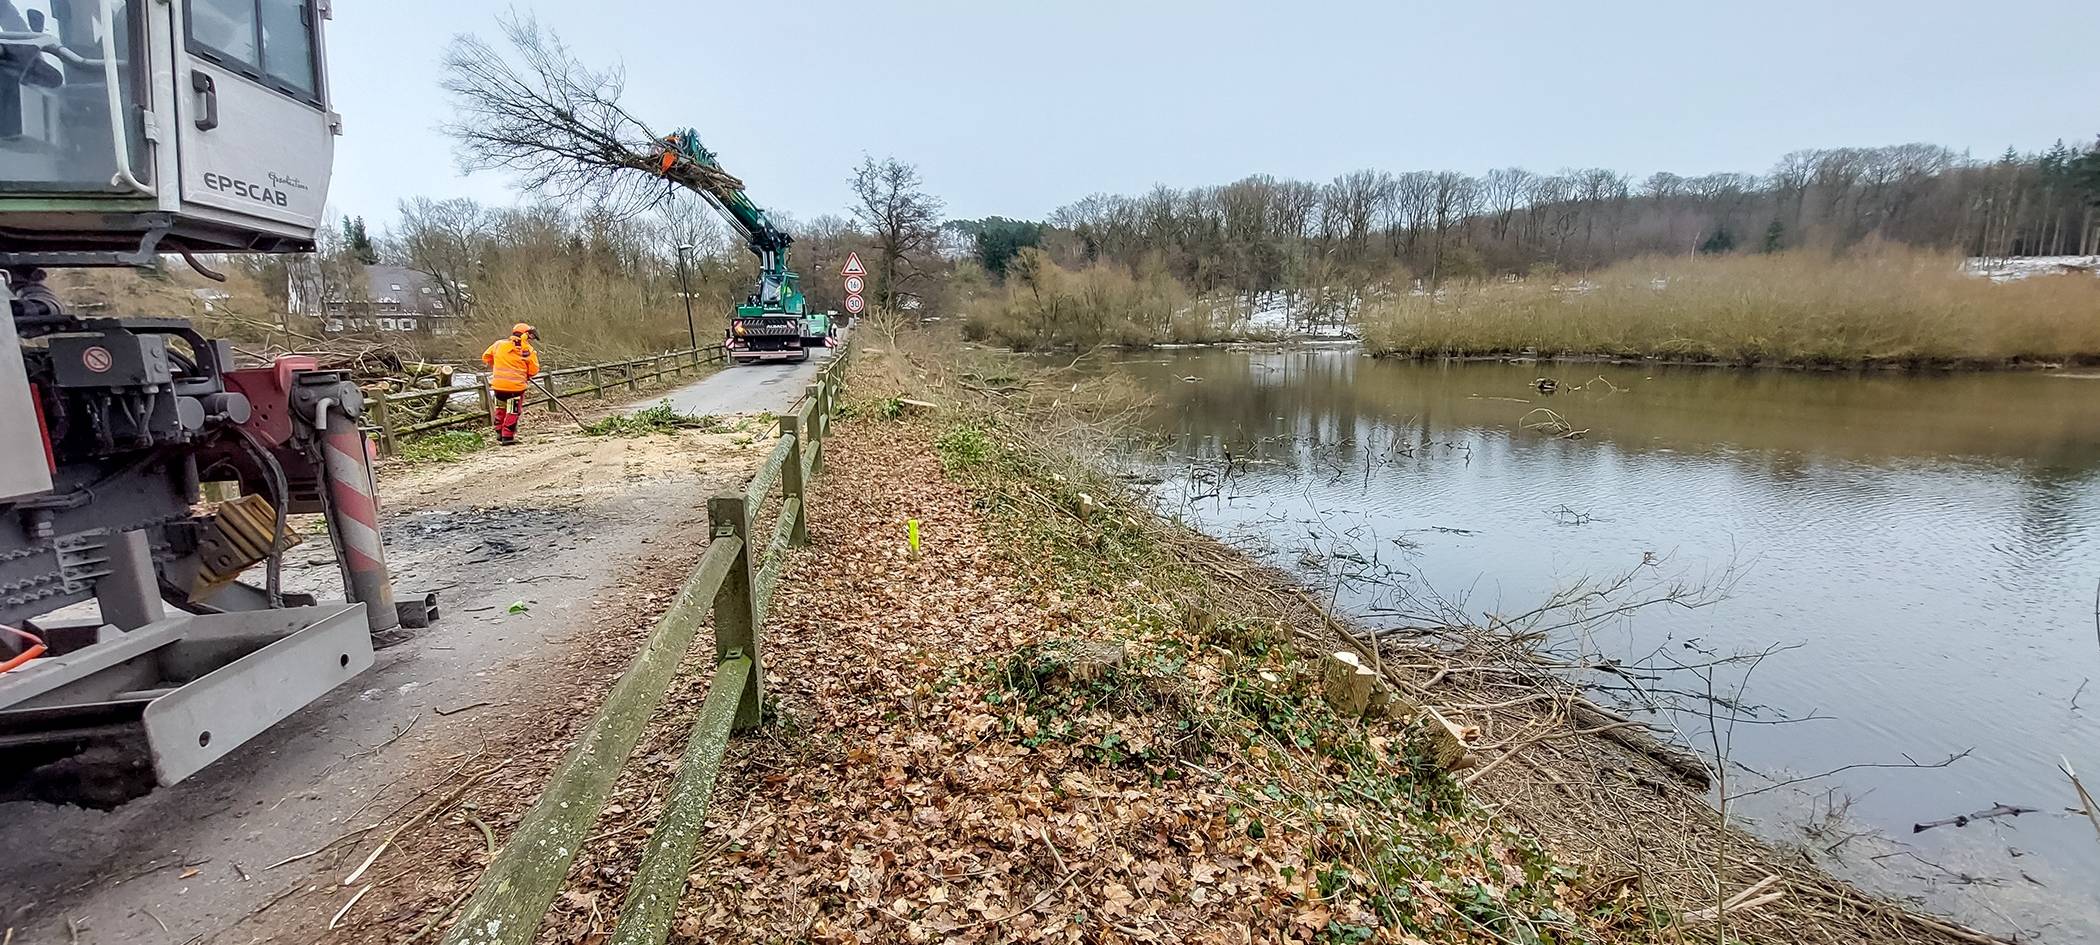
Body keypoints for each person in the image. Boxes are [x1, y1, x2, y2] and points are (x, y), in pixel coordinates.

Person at [481, 323, 540, 444]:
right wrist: (526, 373)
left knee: (500, 408)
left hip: (498, 386)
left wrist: (498, 364)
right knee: (513, 411)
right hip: (515, 388)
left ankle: (498, 432)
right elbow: (534, 370)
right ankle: (507, 436)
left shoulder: (498, 344)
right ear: (526, 336)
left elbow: (486, 357)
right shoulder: (527, 350)